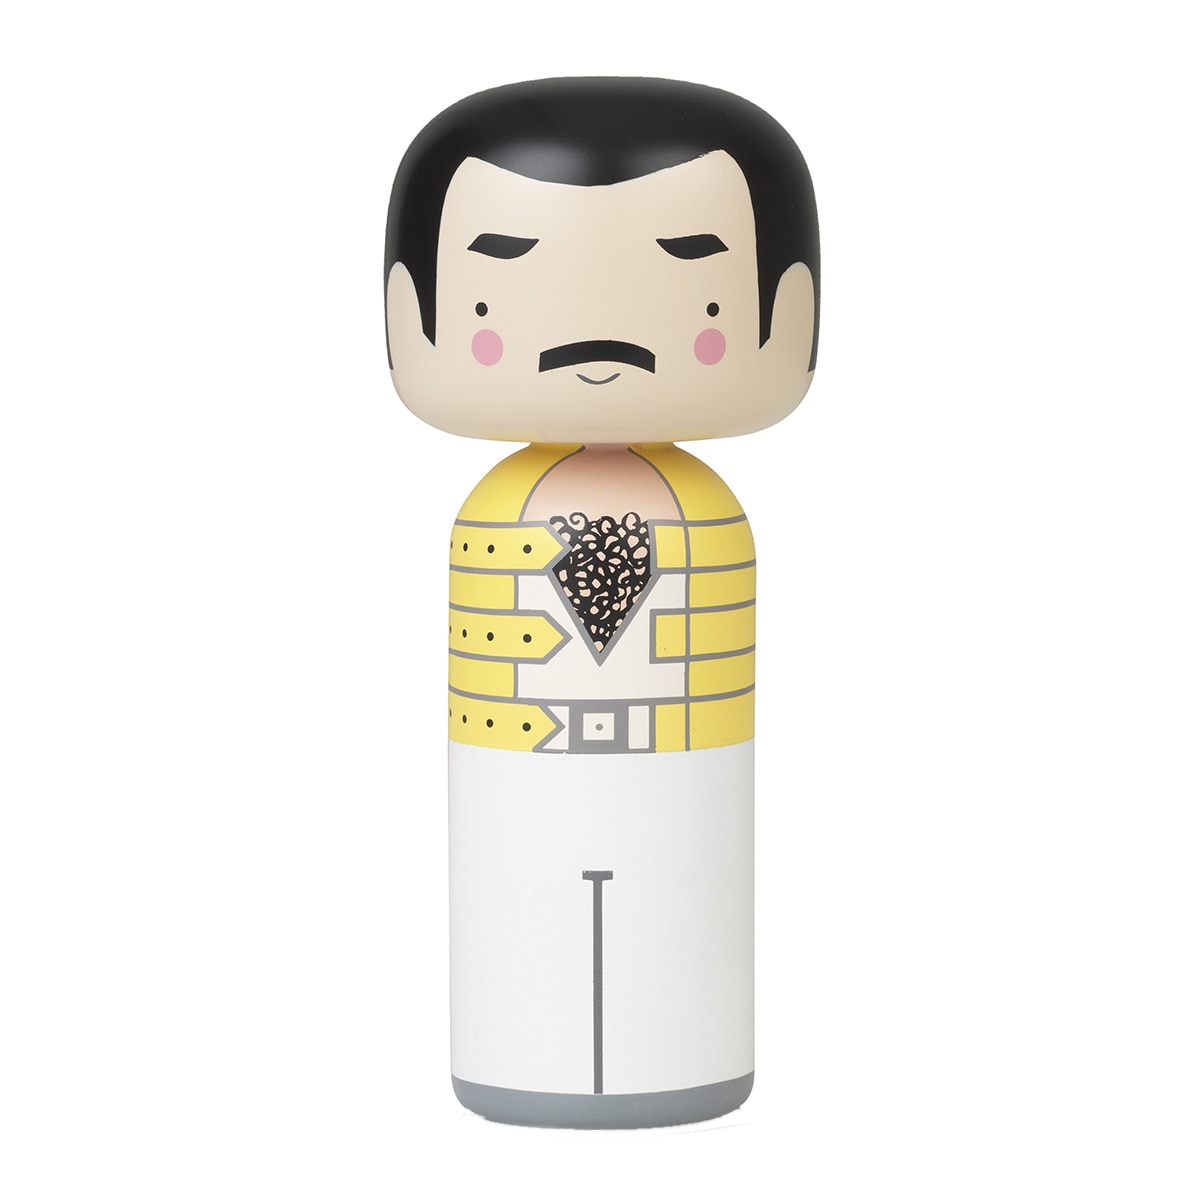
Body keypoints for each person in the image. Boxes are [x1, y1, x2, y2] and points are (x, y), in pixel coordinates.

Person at [385, 76, 819, 1128]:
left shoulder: (708, 517)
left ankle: (680, 1064)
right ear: (408, 311)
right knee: (525, 935)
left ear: (791, 310)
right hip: (516, 781)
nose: (594, 338)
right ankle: (524, 1062)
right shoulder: (498, 514)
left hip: (686, 777)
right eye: (494, 293)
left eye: (699, 291)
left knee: (674, 933)